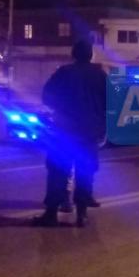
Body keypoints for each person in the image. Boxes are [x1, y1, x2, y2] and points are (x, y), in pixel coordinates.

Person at [33, 40, 107, 227]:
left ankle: (51, 214)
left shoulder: (63, 73)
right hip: (89, 132)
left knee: (58, 170)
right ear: (90, 55)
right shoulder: (101, 76)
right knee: (85, 171)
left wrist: (62, 108)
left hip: (64, 131)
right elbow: (111, 104)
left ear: (73, 54)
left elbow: (47, 97)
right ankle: (82, 215)